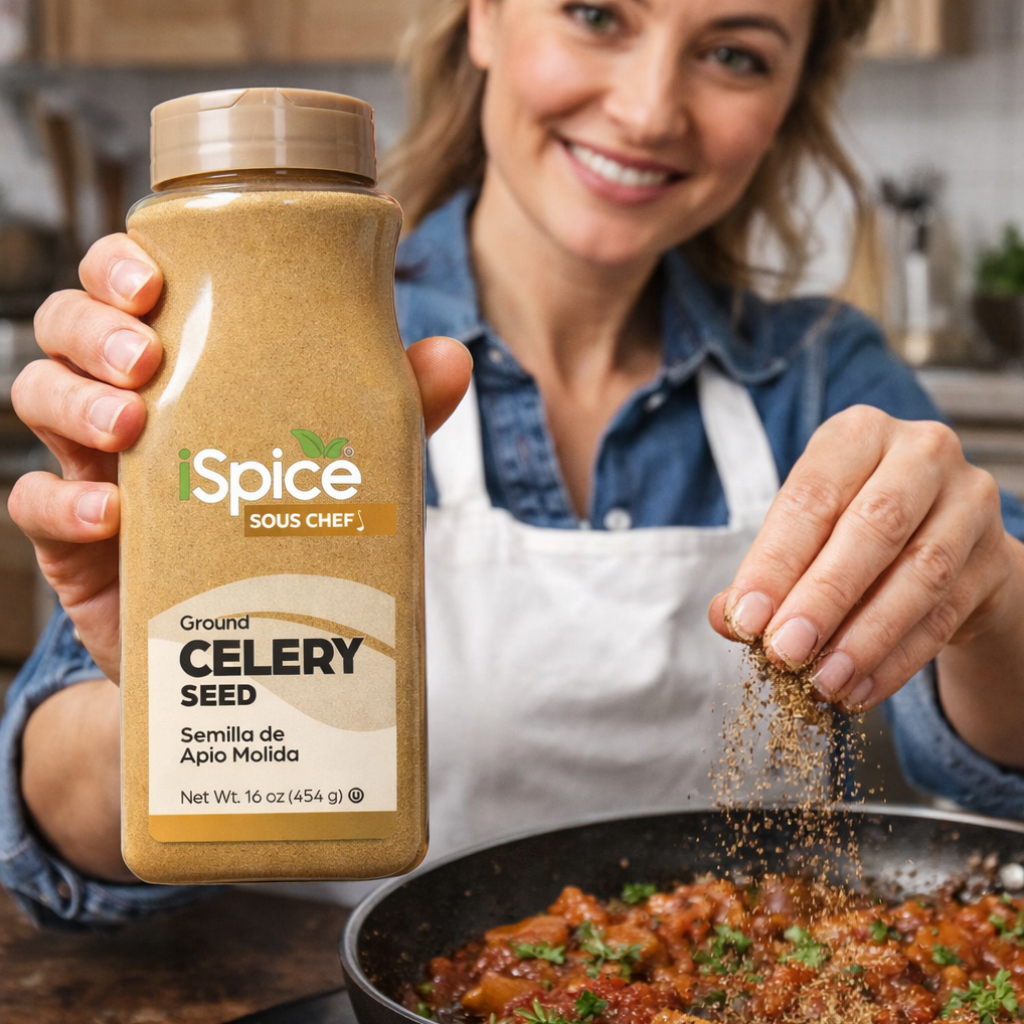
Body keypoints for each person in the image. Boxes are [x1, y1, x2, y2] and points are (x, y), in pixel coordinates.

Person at [4, 0, 1024, 930]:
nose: (645, 108)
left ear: (791, 93)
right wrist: (170, 712)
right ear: (482, 18)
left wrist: (992, 599)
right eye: (595, 15)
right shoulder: (278, 349)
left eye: (732, 53)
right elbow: (46, 825)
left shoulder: (819, 376)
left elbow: (987, 765)